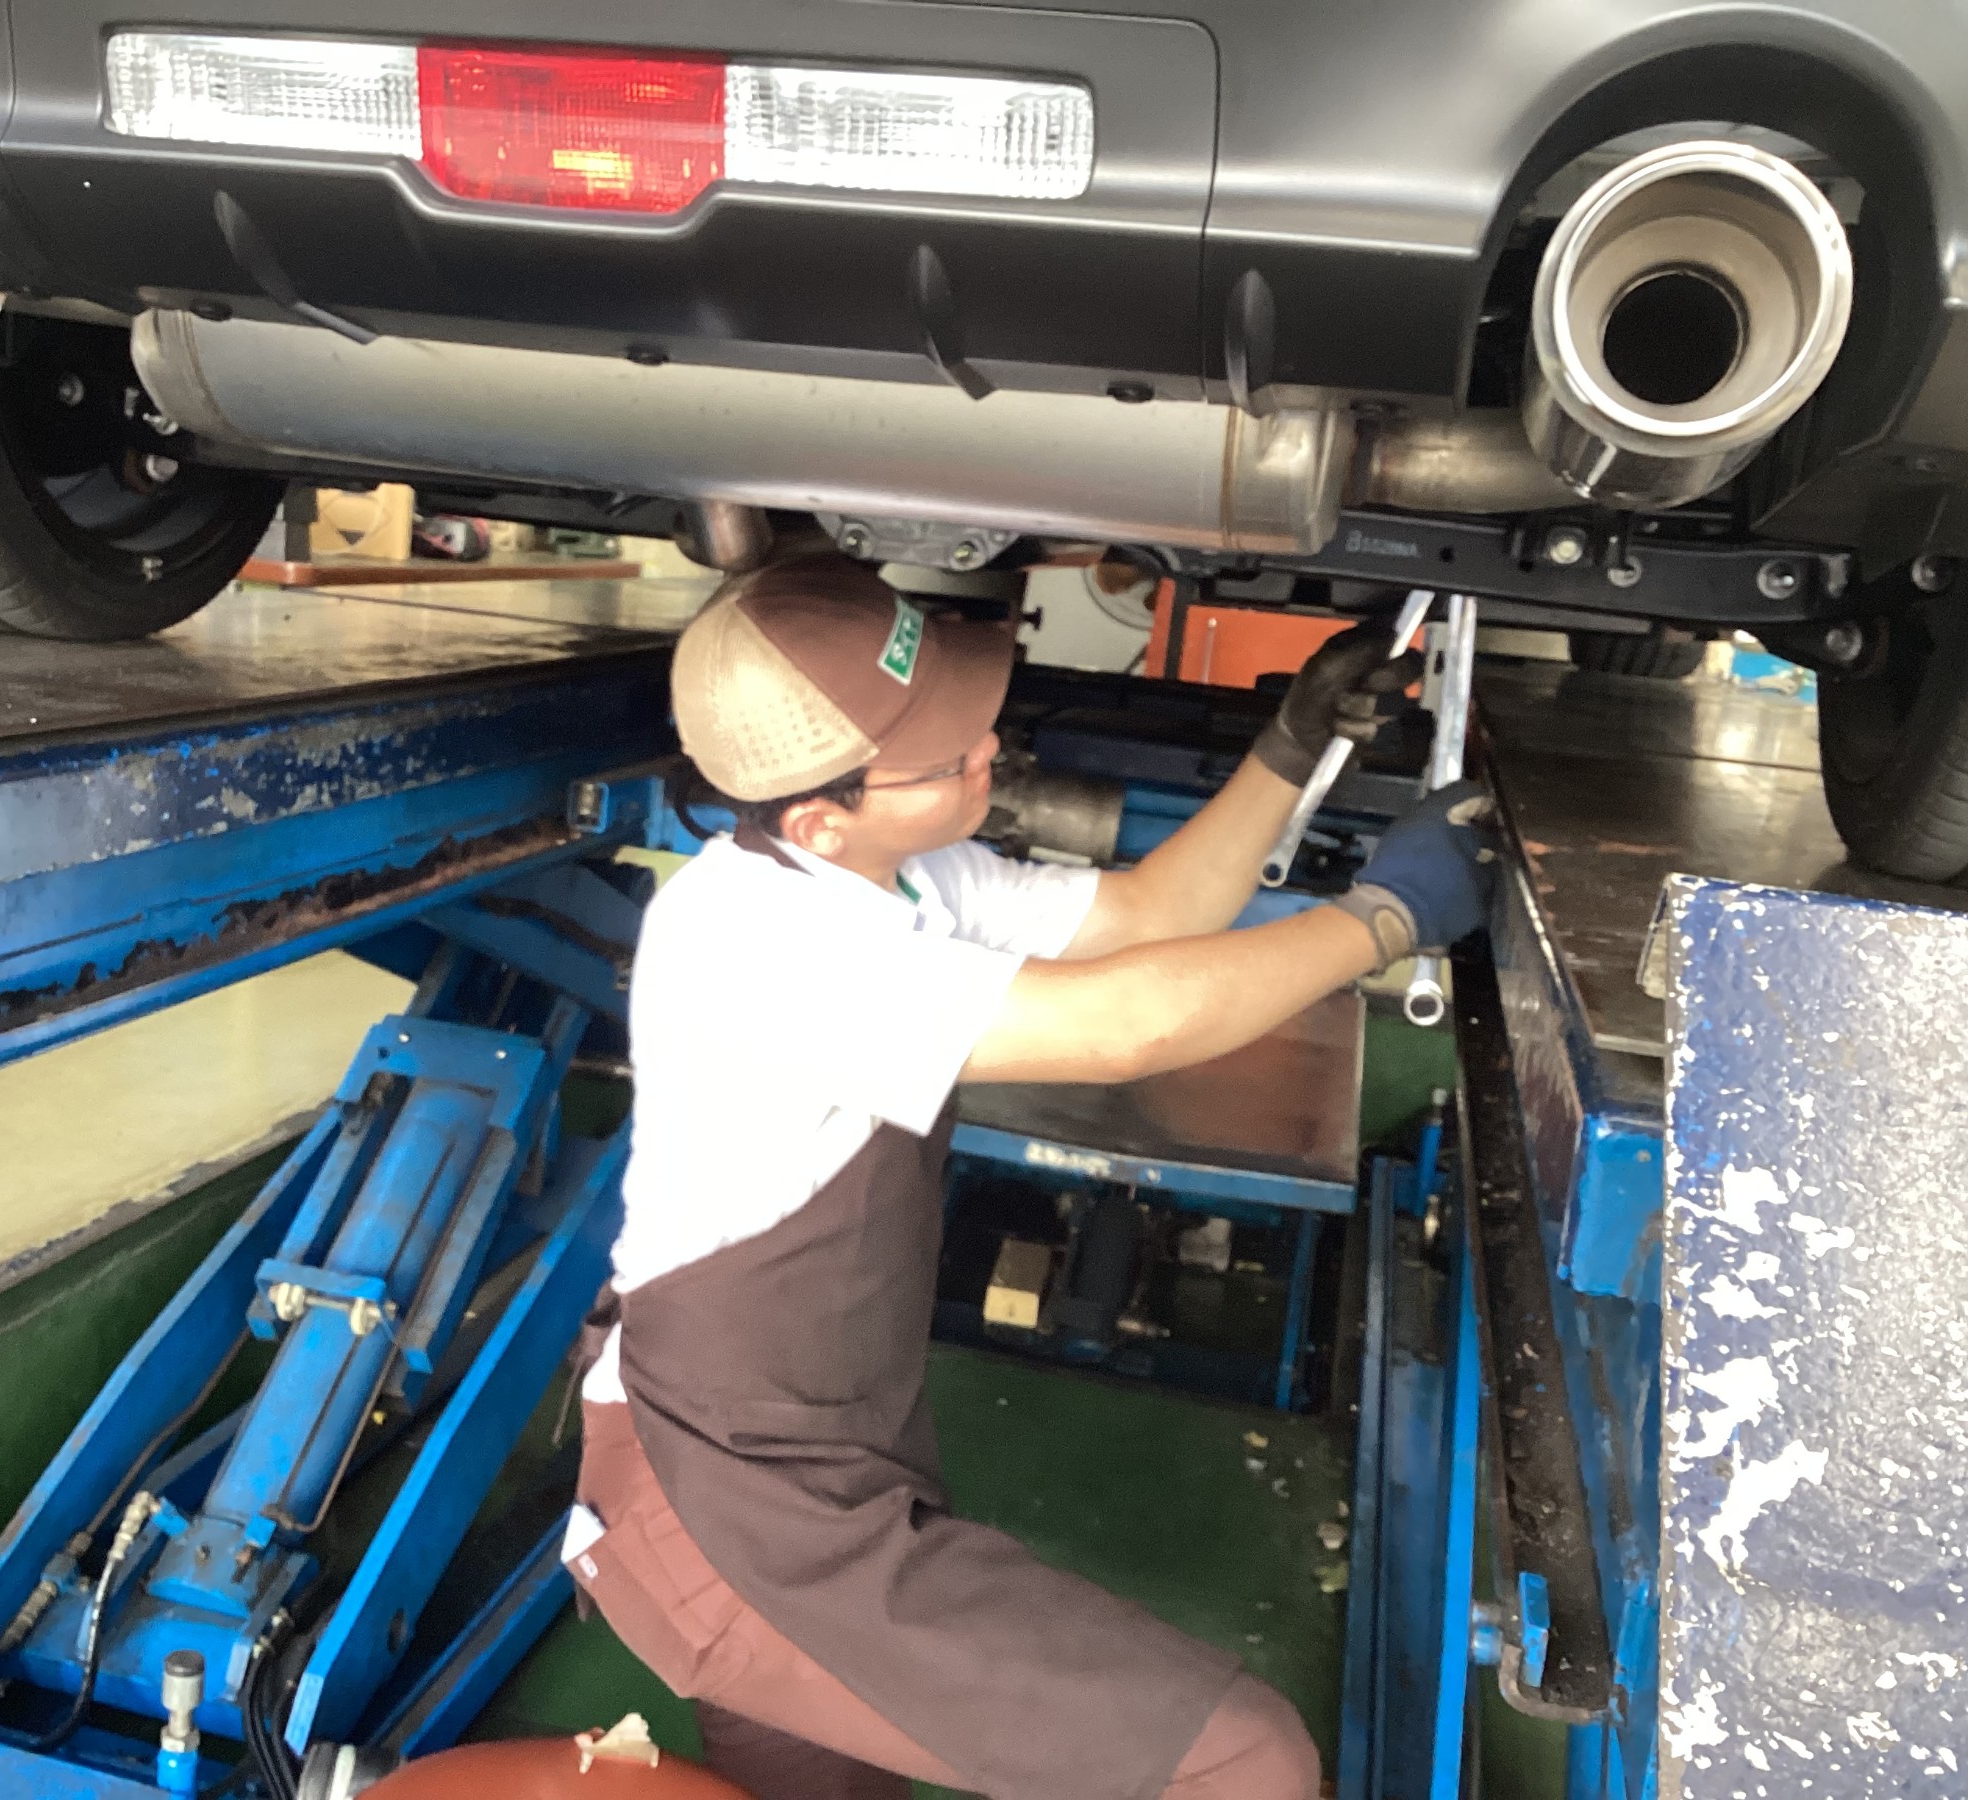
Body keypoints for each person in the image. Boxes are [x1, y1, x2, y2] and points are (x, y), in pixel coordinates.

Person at [561, 554, 1493, 1800]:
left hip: (812, 1459)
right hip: (722, 1506)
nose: (987, 751)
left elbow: (1151, 914)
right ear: (821, 815)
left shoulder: (894, 874)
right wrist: (1382, 920)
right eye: (949, 756)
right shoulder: (758, 943)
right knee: (1245, 1760)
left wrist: (1291, 740)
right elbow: (1128, 1028)